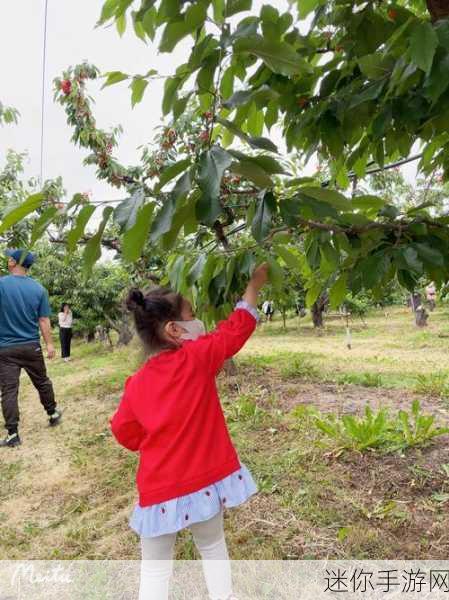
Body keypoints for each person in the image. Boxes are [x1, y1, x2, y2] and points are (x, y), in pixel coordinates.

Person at [110, 263, 269, 600]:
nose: (199, 322)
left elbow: (123, 431)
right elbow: (235, 329)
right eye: (192, 315)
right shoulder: (197, 359)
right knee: (212, 546)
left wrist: (153, 440)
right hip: (205, 485)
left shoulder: (136, 385)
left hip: (158, 490)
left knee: (154, 569)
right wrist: (255, 284)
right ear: (174, 330)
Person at [0, 249, 62, 448]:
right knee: (42, 381)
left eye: (9, 257)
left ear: (13, 262)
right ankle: (52, 414)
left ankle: (12, 434)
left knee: (9, 390)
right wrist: (50, 344)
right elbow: (43, 320)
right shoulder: (38, 289)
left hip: (5, 349)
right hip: (31, 346)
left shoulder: (1, 285)